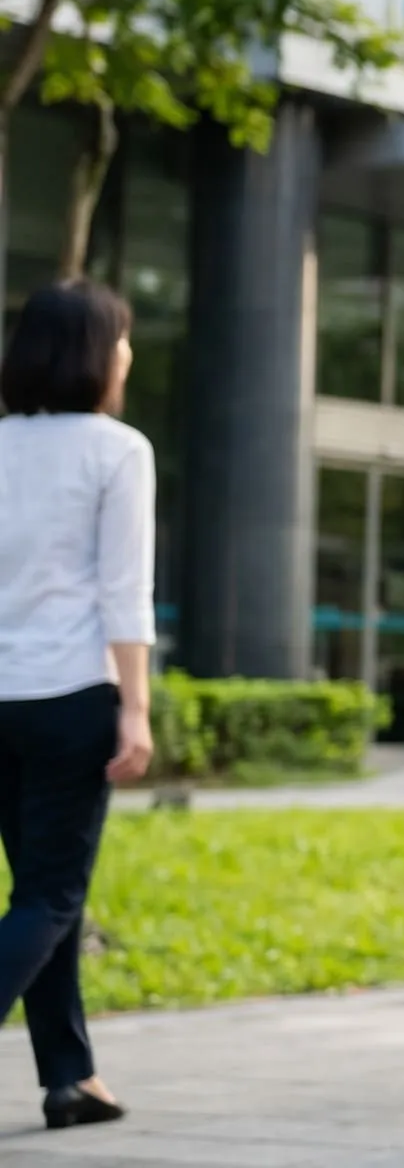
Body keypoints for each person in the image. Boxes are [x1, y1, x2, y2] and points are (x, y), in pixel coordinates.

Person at [0, 281, 155, 1132]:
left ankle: (72, 1077)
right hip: (70, 700)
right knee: (53, 898)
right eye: (123, 341)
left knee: (41, 894)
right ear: (97, 354)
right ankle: (69, 1072)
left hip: (1, 702)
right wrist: (135, 710)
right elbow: (124, 593)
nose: (128, 357)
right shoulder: (118, 450)